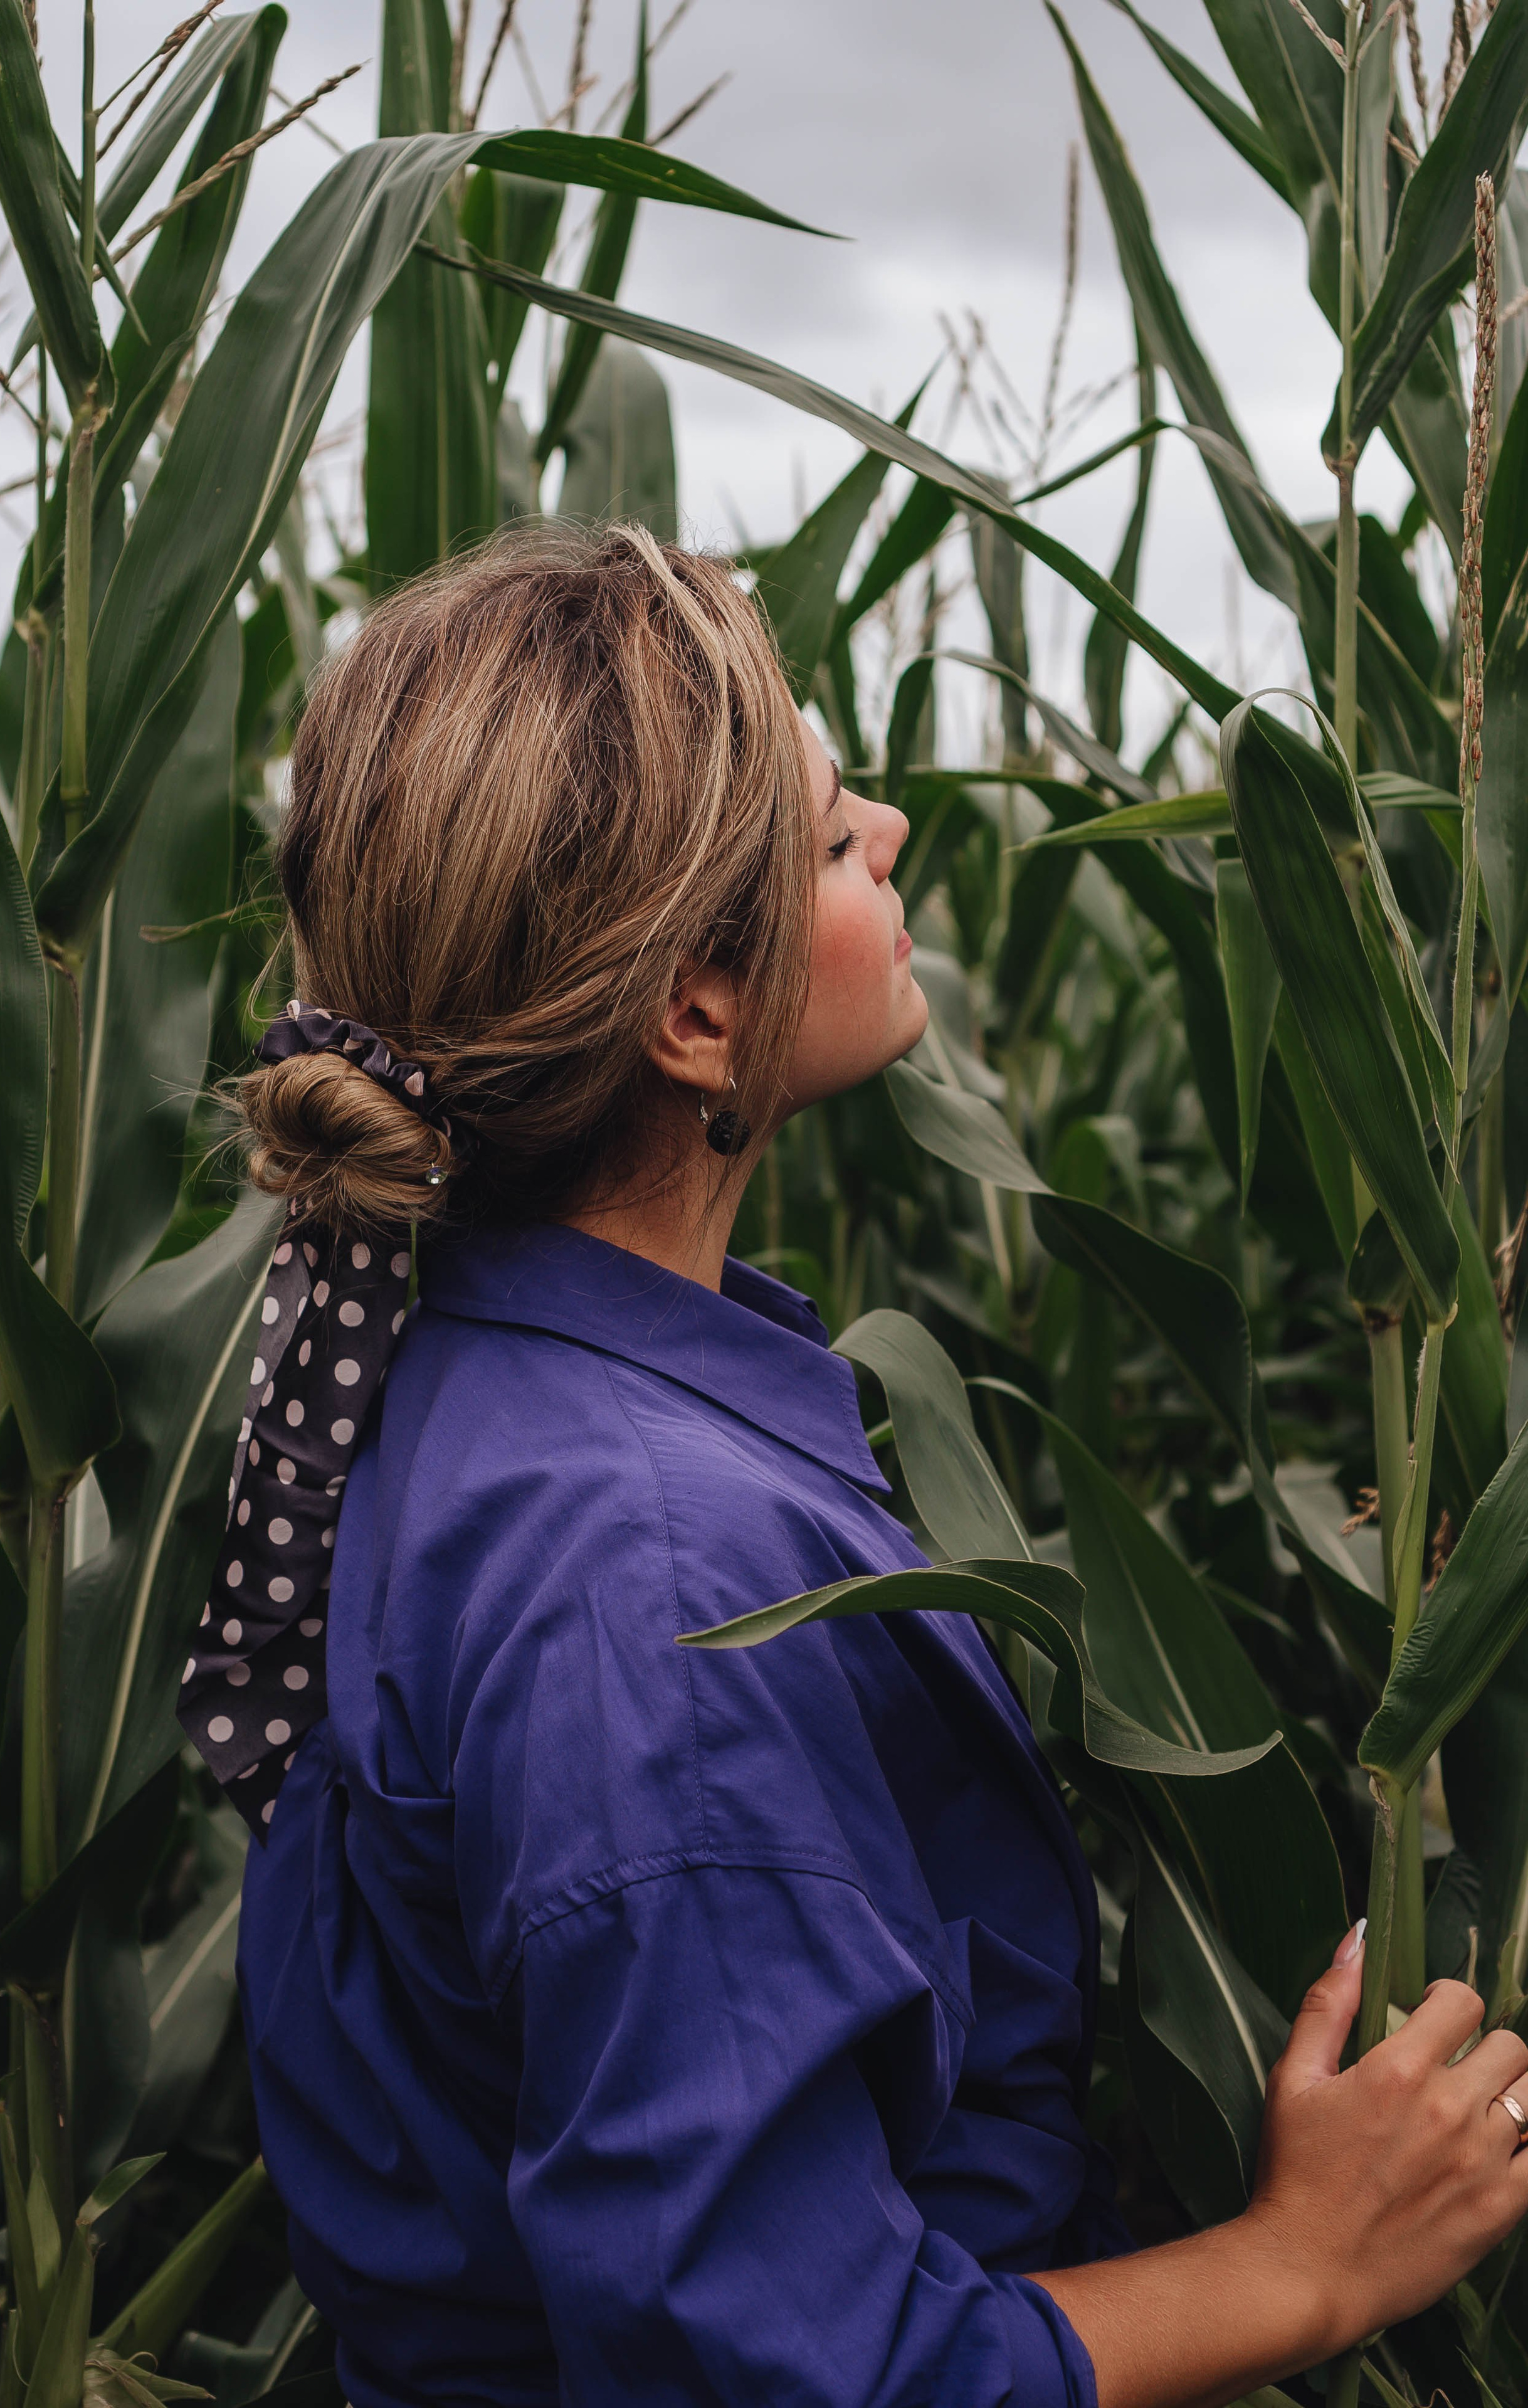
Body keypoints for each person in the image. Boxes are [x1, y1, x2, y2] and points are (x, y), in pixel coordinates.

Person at [183, 524, 1528, 2408]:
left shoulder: (469, 1379)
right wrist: (1305, 2268)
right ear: (697, 1013)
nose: (891, 830)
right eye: (825, 839)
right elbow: (797, 2371)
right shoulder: (656, 1588)